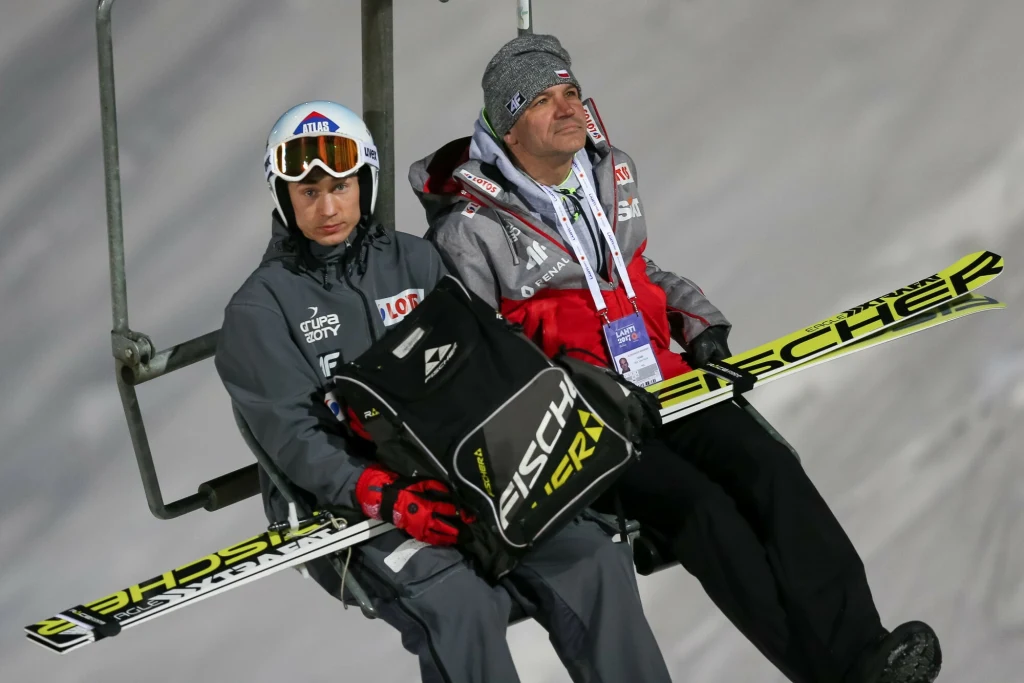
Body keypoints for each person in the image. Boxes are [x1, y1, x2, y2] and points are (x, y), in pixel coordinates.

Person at [409, 34, 943, 683]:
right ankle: (830, 672)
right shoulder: (470, 230)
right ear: (509, 125)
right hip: (587, 427)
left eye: (571, 92)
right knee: (701, 511)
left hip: (670, 385)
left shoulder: (608, 172)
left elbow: (641, 276)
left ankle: (863, 648)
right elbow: (483, 356)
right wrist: (581, 388)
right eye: (544, 100)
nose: (568, 108)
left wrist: (699, 327)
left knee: (770, 468)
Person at [214, 100, 672, 683]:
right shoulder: (260, 311)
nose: (328, 207)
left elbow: (484, 363)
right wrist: (376, 491)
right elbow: (291, 436)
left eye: (342, 187)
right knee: (463, 606)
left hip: (463, 468)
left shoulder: (414, 259)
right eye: (308, 194)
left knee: (594, 560)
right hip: (351, 507)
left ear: (367, 181)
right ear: (283, 198)